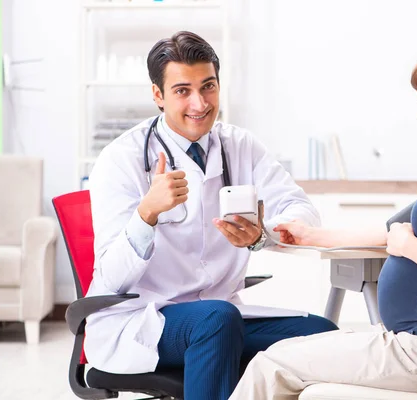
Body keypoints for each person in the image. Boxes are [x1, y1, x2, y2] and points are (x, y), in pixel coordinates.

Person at [229, 35, 417, 399]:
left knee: (271, 365)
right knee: (280, 357)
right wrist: (309, 235)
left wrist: (409, 247)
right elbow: (388, 232)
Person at [85, 31, 337, 400]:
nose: (200, 103)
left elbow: (303, 213)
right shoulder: (120, 160)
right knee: (216, 320)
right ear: (158, 95)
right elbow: (110, 278)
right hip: (144, 320)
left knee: (323, 336)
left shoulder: (241, 146)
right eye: (182, 90)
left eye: (208, 87)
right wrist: (146, 214)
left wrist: (261, 235)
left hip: (224, 316)